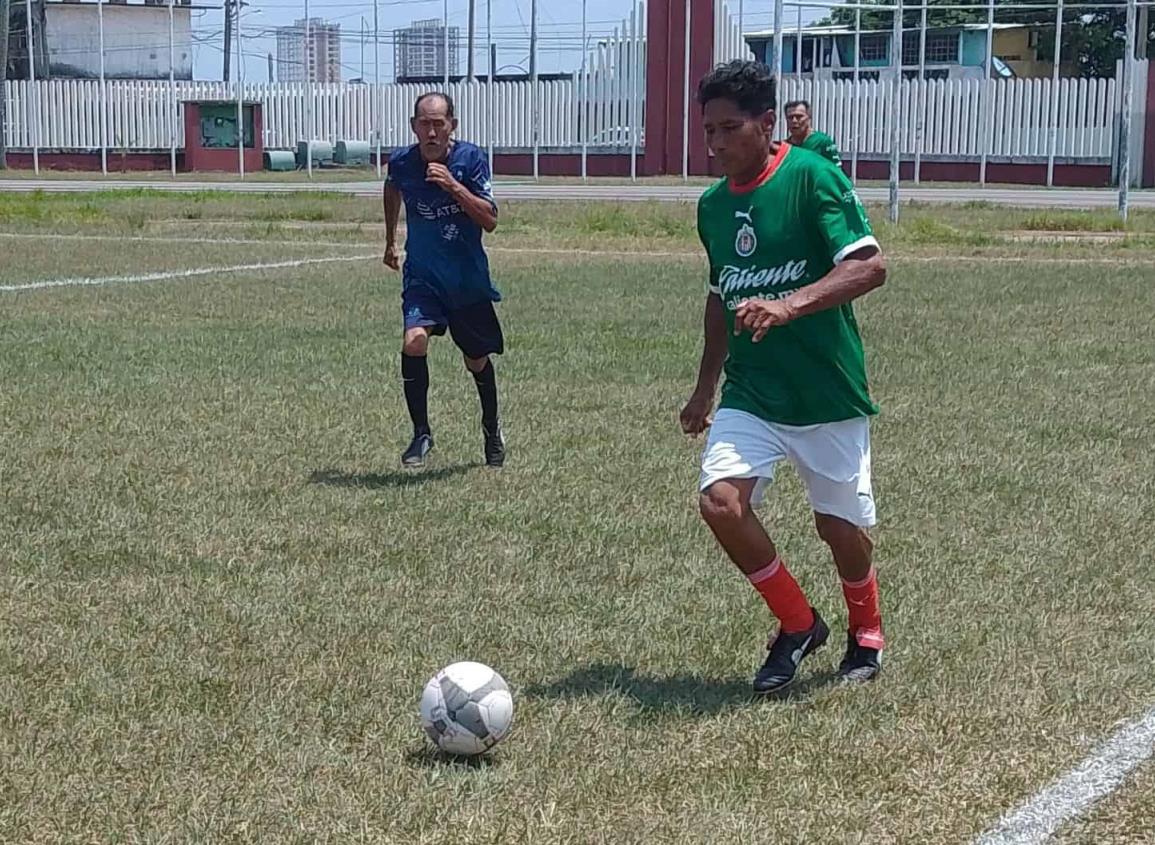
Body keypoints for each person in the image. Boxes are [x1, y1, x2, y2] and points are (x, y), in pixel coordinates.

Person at [681, 60, 888, 695]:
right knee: (720, 502)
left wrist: (789, 304)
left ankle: (867, 627)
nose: (715, 144)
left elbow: (870, 267)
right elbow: (721, 298)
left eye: (729, 129)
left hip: (824, 389)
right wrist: (704, 387)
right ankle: (797, 624)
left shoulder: (811, 176)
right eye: (708, 130)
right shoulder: (713, 207)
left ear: (767, 123)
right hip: (753, 390)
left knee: (839, 529)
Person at [383, 92, 505, 469]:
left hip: (466, 281)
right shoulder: (403, 162)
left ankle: (491, 429)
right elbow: (391, 188)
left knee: (476, 360)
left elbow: (490, 220)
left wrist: (453, 185)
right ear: (413, 126)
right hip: (423, 277)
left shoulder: (471, 160)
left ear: (452, 124)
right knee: (414, 341)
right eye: (424, 123)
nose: (432, 131)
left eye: (439, 123)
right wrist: (389, 240)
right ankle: (421, 433)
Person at [784, 99, 841, 165]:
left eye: (799, 116)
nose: (794, 121)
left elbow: (836, 170)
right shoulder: (784, 147)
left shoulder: (823, 142)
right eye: (790, 117)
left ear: (809, 118)